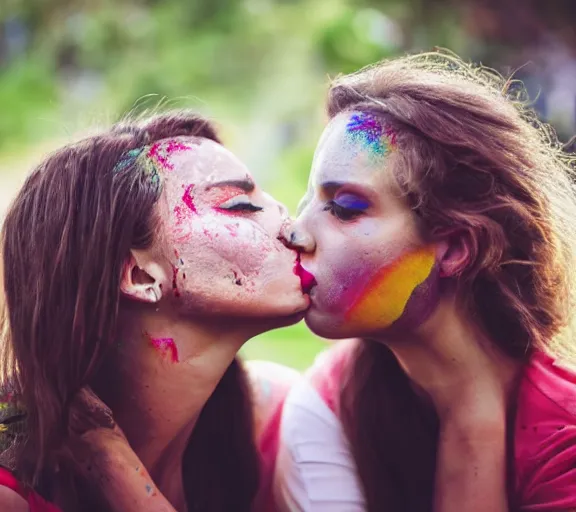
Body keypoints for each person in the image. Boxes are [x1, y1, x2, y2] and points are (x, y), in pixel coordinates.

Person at [276, 50, 576, 511]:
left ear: (456, 248)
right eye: (309, 200)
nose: (296, 231)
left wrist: (474, 417)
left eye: (345, 208)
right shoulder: (331, 399)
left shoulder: (566, 441)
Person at [0, 111, 313, 512]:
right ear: (139, 275)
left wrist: (118, 470)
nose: (293, 226)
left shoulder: (274, 419)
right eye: (240, 206)